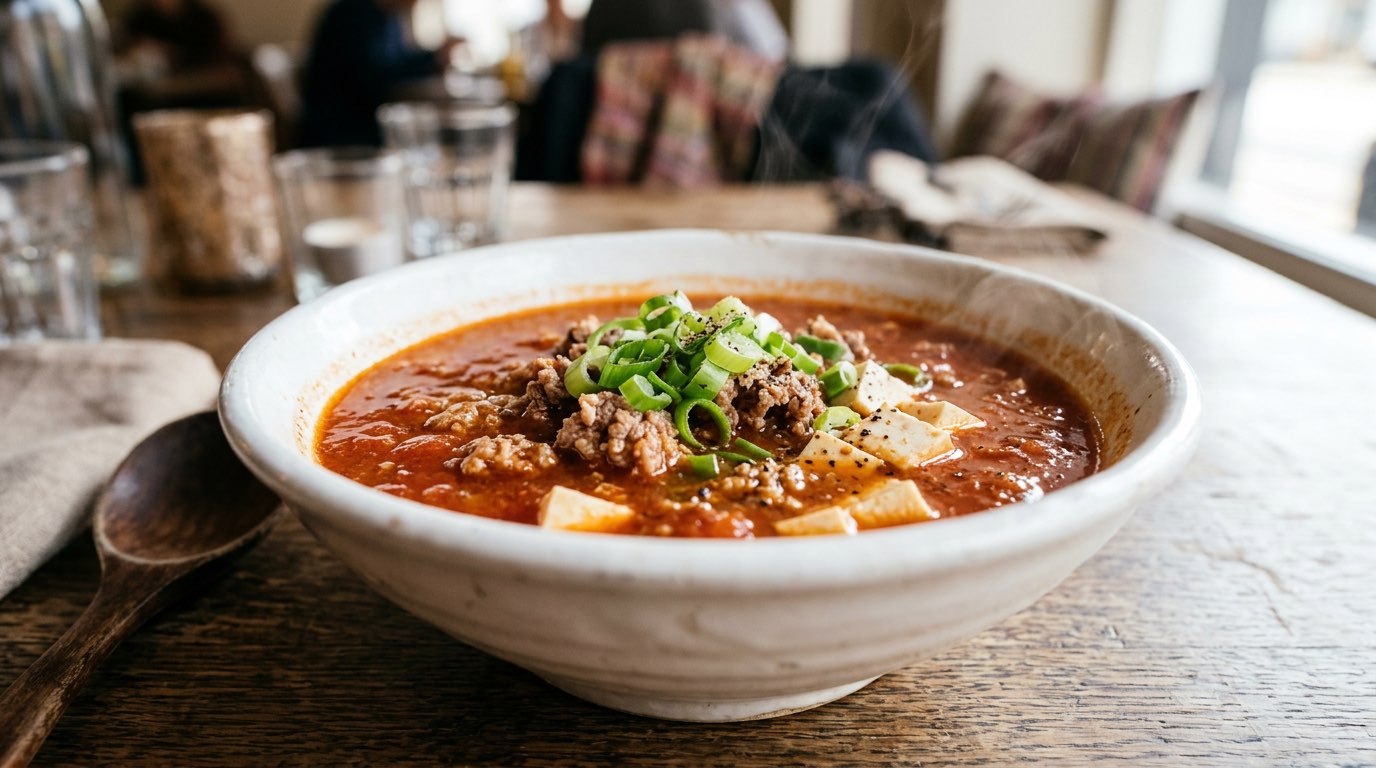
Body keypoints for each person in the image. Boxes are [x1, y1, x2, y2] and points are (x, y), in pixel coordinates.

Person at [299, 0, 463, 147]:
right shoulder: (352, 12)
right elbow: (374, 79)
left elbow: (399, 62)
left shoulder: (389, 18)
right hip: (341, 133)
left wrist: (436, 57)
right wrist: (434, 59)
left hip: (367, 124)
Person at [116, 0, 235, 73]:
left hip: (205, 91)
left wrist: (173, 55)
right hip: (152, 97)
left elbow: (218, 59)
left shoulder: (205, 19)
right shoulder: (138, 20)